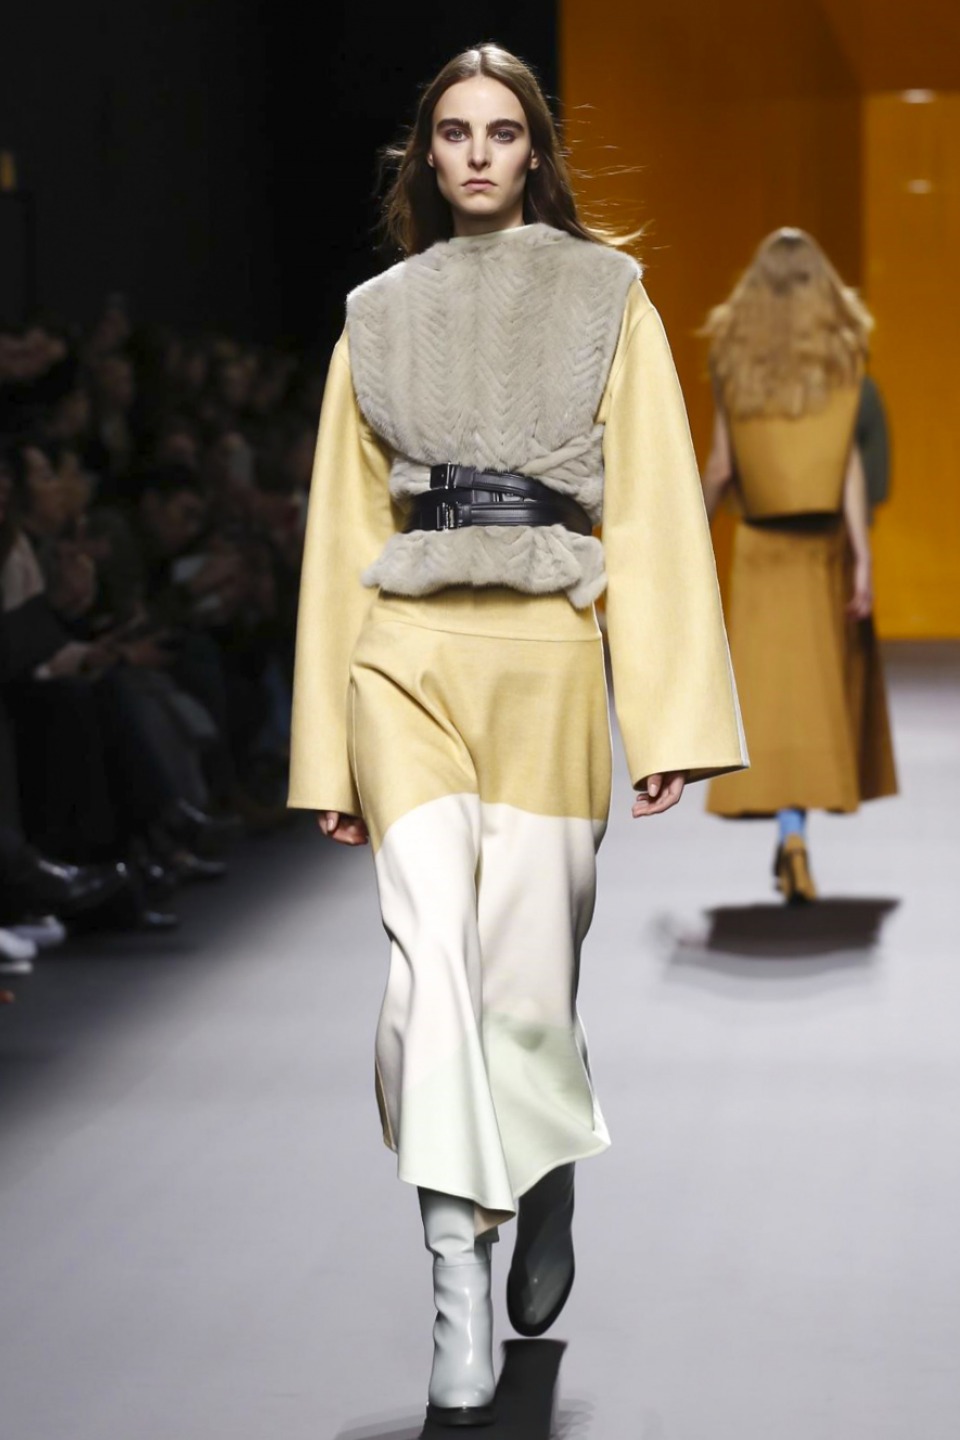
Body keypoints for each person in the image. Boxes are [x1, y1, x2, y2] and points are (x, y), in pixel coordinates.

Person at [288, 44, 746, 1427]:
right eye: (454, 133)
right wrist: (324, 752)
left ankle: (542, 1178)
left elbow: (652, 509)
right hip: (405, 663)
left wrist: (666, 714)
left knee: (529, 998)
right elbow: (341, 537)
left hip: (546, 660)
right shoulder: (377, 316)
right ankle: (455, 1297)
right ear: (426, 158)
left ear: (534, 150)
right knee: (427, 978)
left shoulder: (608, 298)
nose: (478, 153)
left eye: (501, 131)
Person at [700, 228, 897, 901]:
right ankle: (794, 835)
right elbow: (847, 465)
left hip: (760, 548)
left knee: (773, 702)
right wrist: (863, 557)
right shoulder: (842, 357)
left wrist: (689, 542)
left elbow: (722, 466)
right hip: (822, 549)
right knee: (813, 702)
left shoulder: (734, 360)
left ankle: (790, 835)